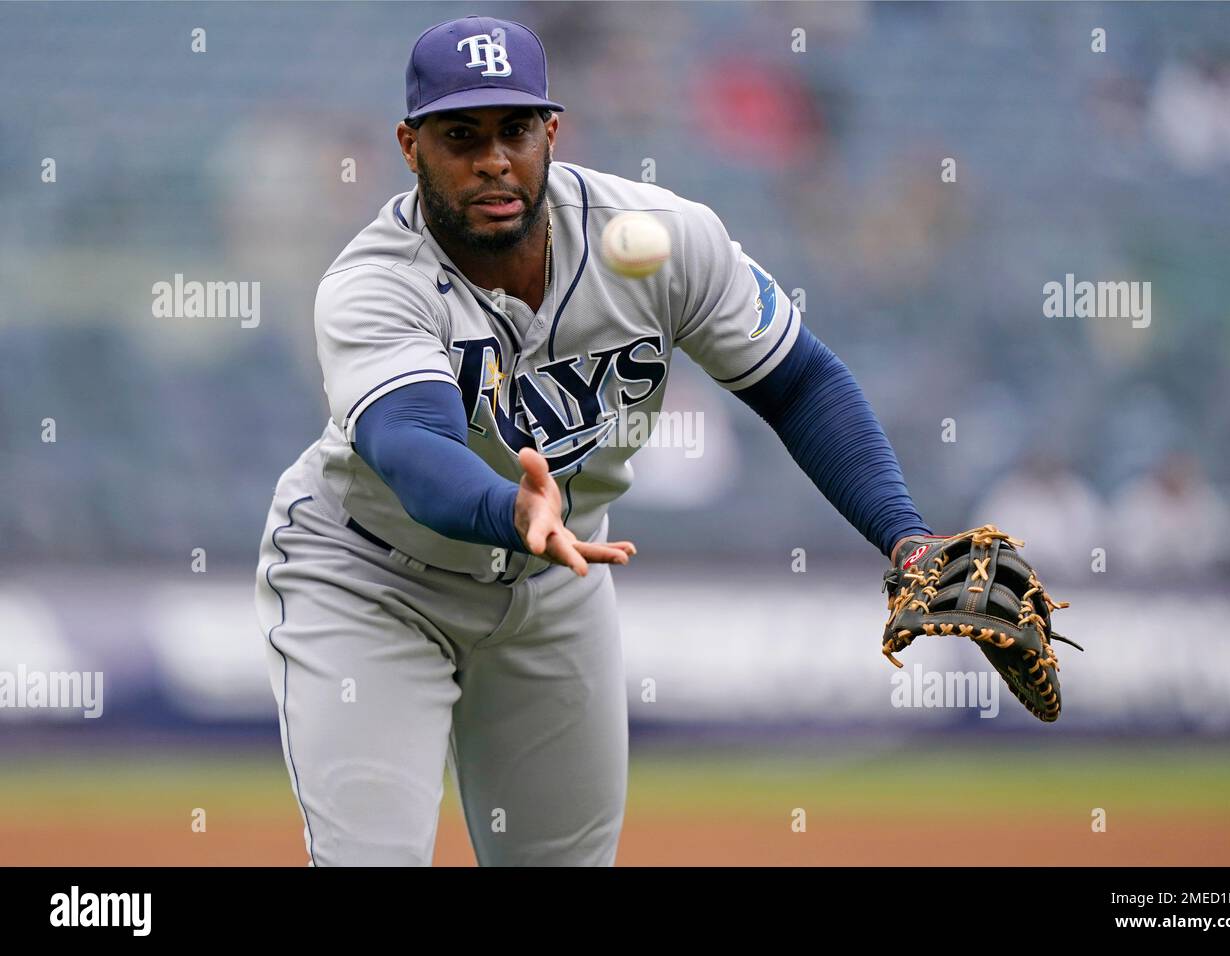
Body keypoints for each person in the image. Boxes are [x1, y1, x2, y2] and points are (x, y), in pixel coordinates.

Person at [254, 15, 930, 866]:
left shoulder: (669, 237)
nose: (494, 159)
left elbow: (800, 382)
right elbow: (415, 448)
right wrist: (508, 507)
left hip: (555, 579)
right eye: (461, 135)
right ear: (410, 146)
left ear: (553, 134)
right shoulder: (374, 283)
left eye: (516, 131)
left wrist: (905, 537)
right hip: (371, 578)